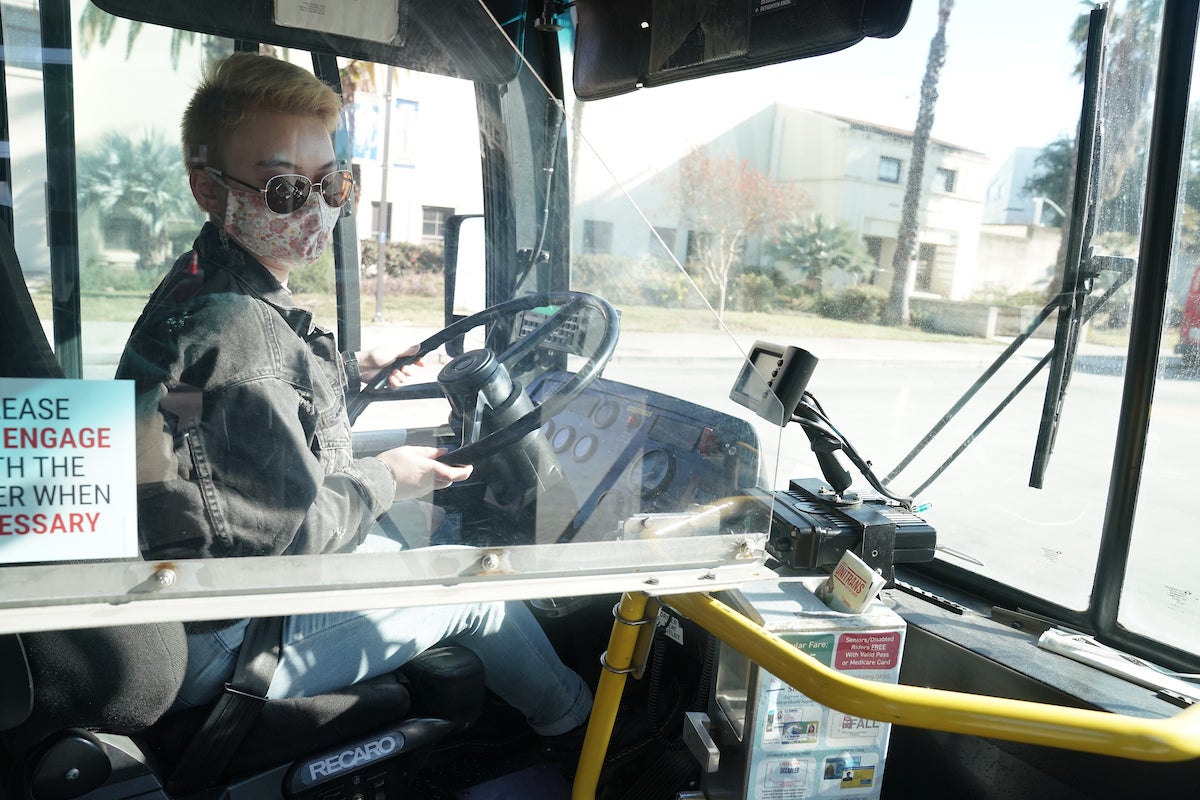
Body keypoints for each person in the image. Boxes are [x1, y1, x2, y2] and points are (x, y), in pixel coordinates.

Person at [116, 52, 591, 741]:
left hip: (188, 594)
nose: (314, 209)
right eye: (283, 190)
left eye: (332, 183)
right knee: (480, 592)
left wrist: (349, 368)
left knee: (400, 551)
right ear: (210, 191)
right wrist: (387, 477)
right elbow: (298, 535)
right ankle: (588, 740)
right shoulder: (241, 329)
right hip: (225, 638)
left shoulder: (205, 285)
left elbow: (229, 408)